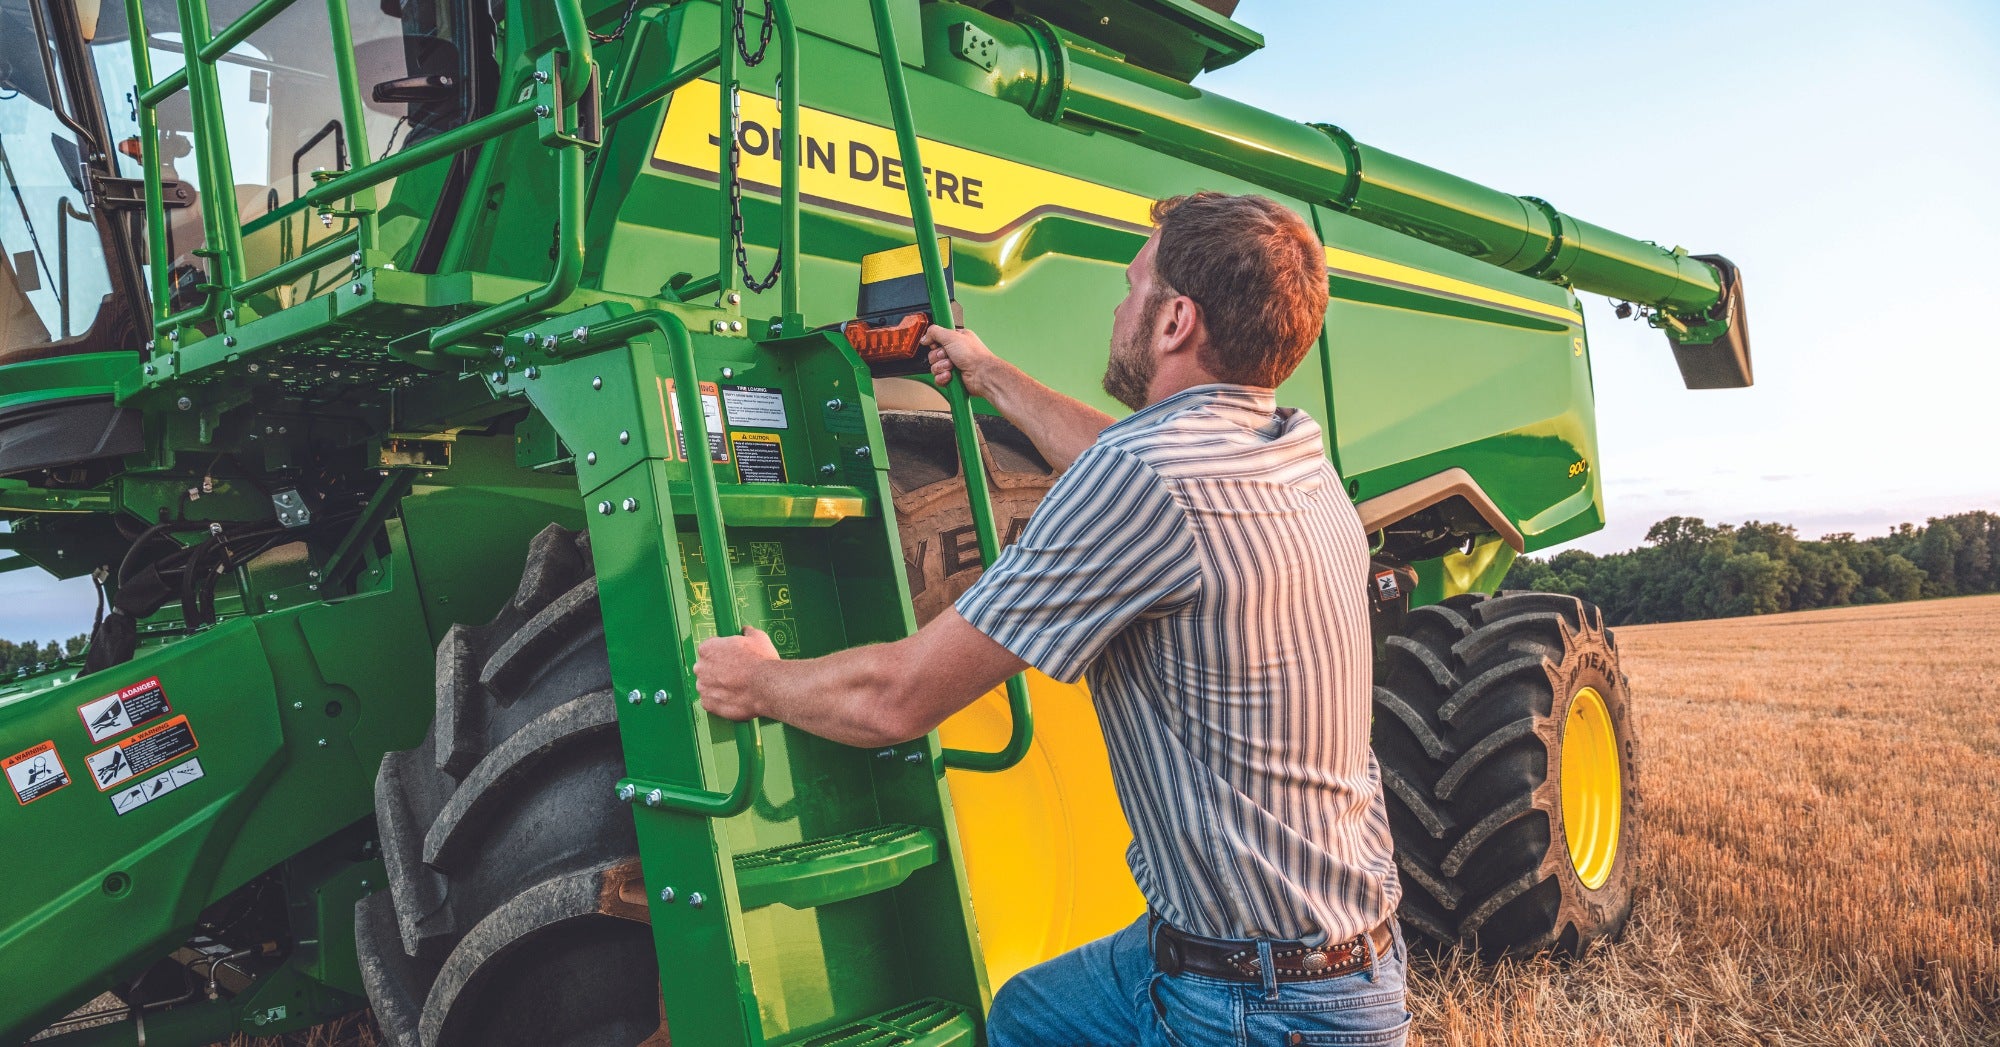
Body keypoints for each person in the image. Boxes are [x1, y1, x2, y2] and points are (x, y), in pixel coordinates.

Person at [693, 191, 1408, 1046]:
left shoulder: (1148, 480)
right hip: (1343, 959)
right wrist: (989, 374)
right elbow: (1127, 457)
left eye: (1134, 284)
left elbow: (901, 696)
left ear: (1176, 319)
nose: (1119, 304)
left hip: (1259, 1008)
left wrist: (759, 680)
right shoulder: (1294, 450)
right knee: (1031, 1016)